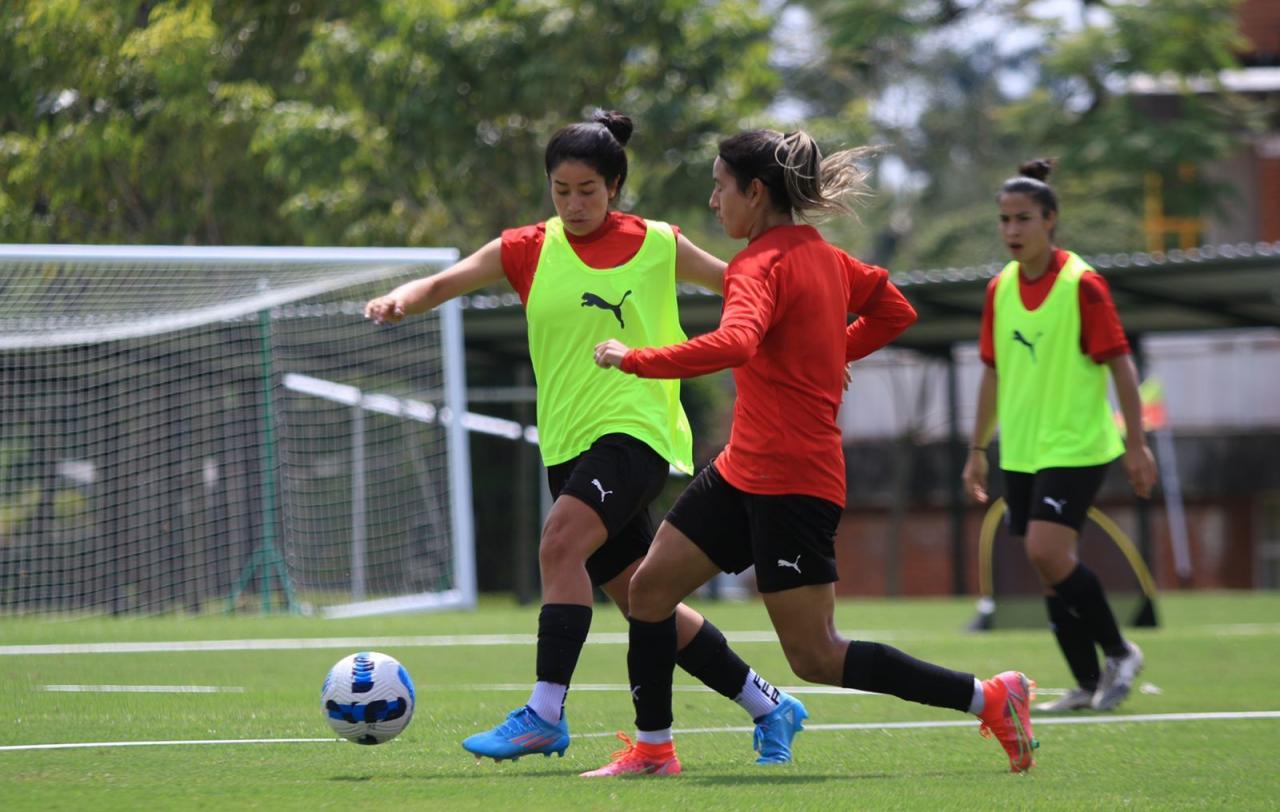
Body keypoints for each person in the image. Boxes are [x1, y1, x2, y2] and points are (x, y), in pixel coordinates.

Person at [586, 129, 1038, 777]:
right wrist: (831, 351)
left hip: (794, 482)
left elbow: (738, 342)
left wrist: (637, 359)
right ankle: (654, 750)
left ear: (755, 191)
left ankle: (990, 697)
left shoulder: (758, 265)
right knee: (649, 591)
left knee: (816, 656)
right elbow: (894, 310)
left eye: (720, 186)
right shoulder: (823, 257)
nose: (714, 201)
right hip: (742, 469)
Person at [364, 110, 806, 765]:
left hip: (638, 432)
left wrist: (817, 333)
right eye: (561, 191)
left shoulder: (661, 243)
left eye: (588, 191)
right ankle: (770, 705)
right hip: (567, 445)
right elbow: (444, 282)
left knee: (558, 543)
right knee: (642, 600)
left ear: (617, 185)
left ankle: (545, 711)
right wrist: (400, 299)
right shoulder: (527, 248)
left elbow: (748, 283)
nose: (574, 204)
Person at [961, 159, 1157, 713]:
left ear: (1050, 220)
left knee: (1046, 550)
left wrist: (1137, 444)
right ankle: (1087, 684)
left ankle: (1120, 652)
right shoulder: (999, 289)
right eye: (1004, 220)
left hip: (1077, 443)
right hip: (1022, 449)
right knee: (1048, 569)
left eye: (1023, 219)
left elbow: (1120, 365)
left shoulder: (1083, 284)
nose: (1012, 231)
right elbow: (993, 374)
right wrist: (977, 450)